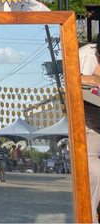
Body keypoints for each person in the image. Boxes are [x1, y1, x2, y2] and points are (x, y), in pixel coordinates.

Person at [79, 38, 100, 222]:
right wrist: (91, 79)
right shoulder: (84, 56)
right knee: (95, 175)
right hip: (88, 128)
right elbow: (68, 80)